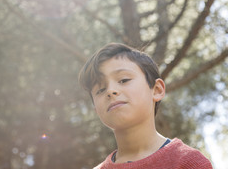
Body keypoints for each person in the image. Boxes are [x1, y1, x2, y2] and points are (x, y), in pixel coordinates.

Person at [78, 43, 213, 169]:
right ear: (95, 109)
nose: (110, 91)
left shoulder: (189, 163)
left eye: (123, 80)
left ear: (156, 90)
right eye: (100, 90)